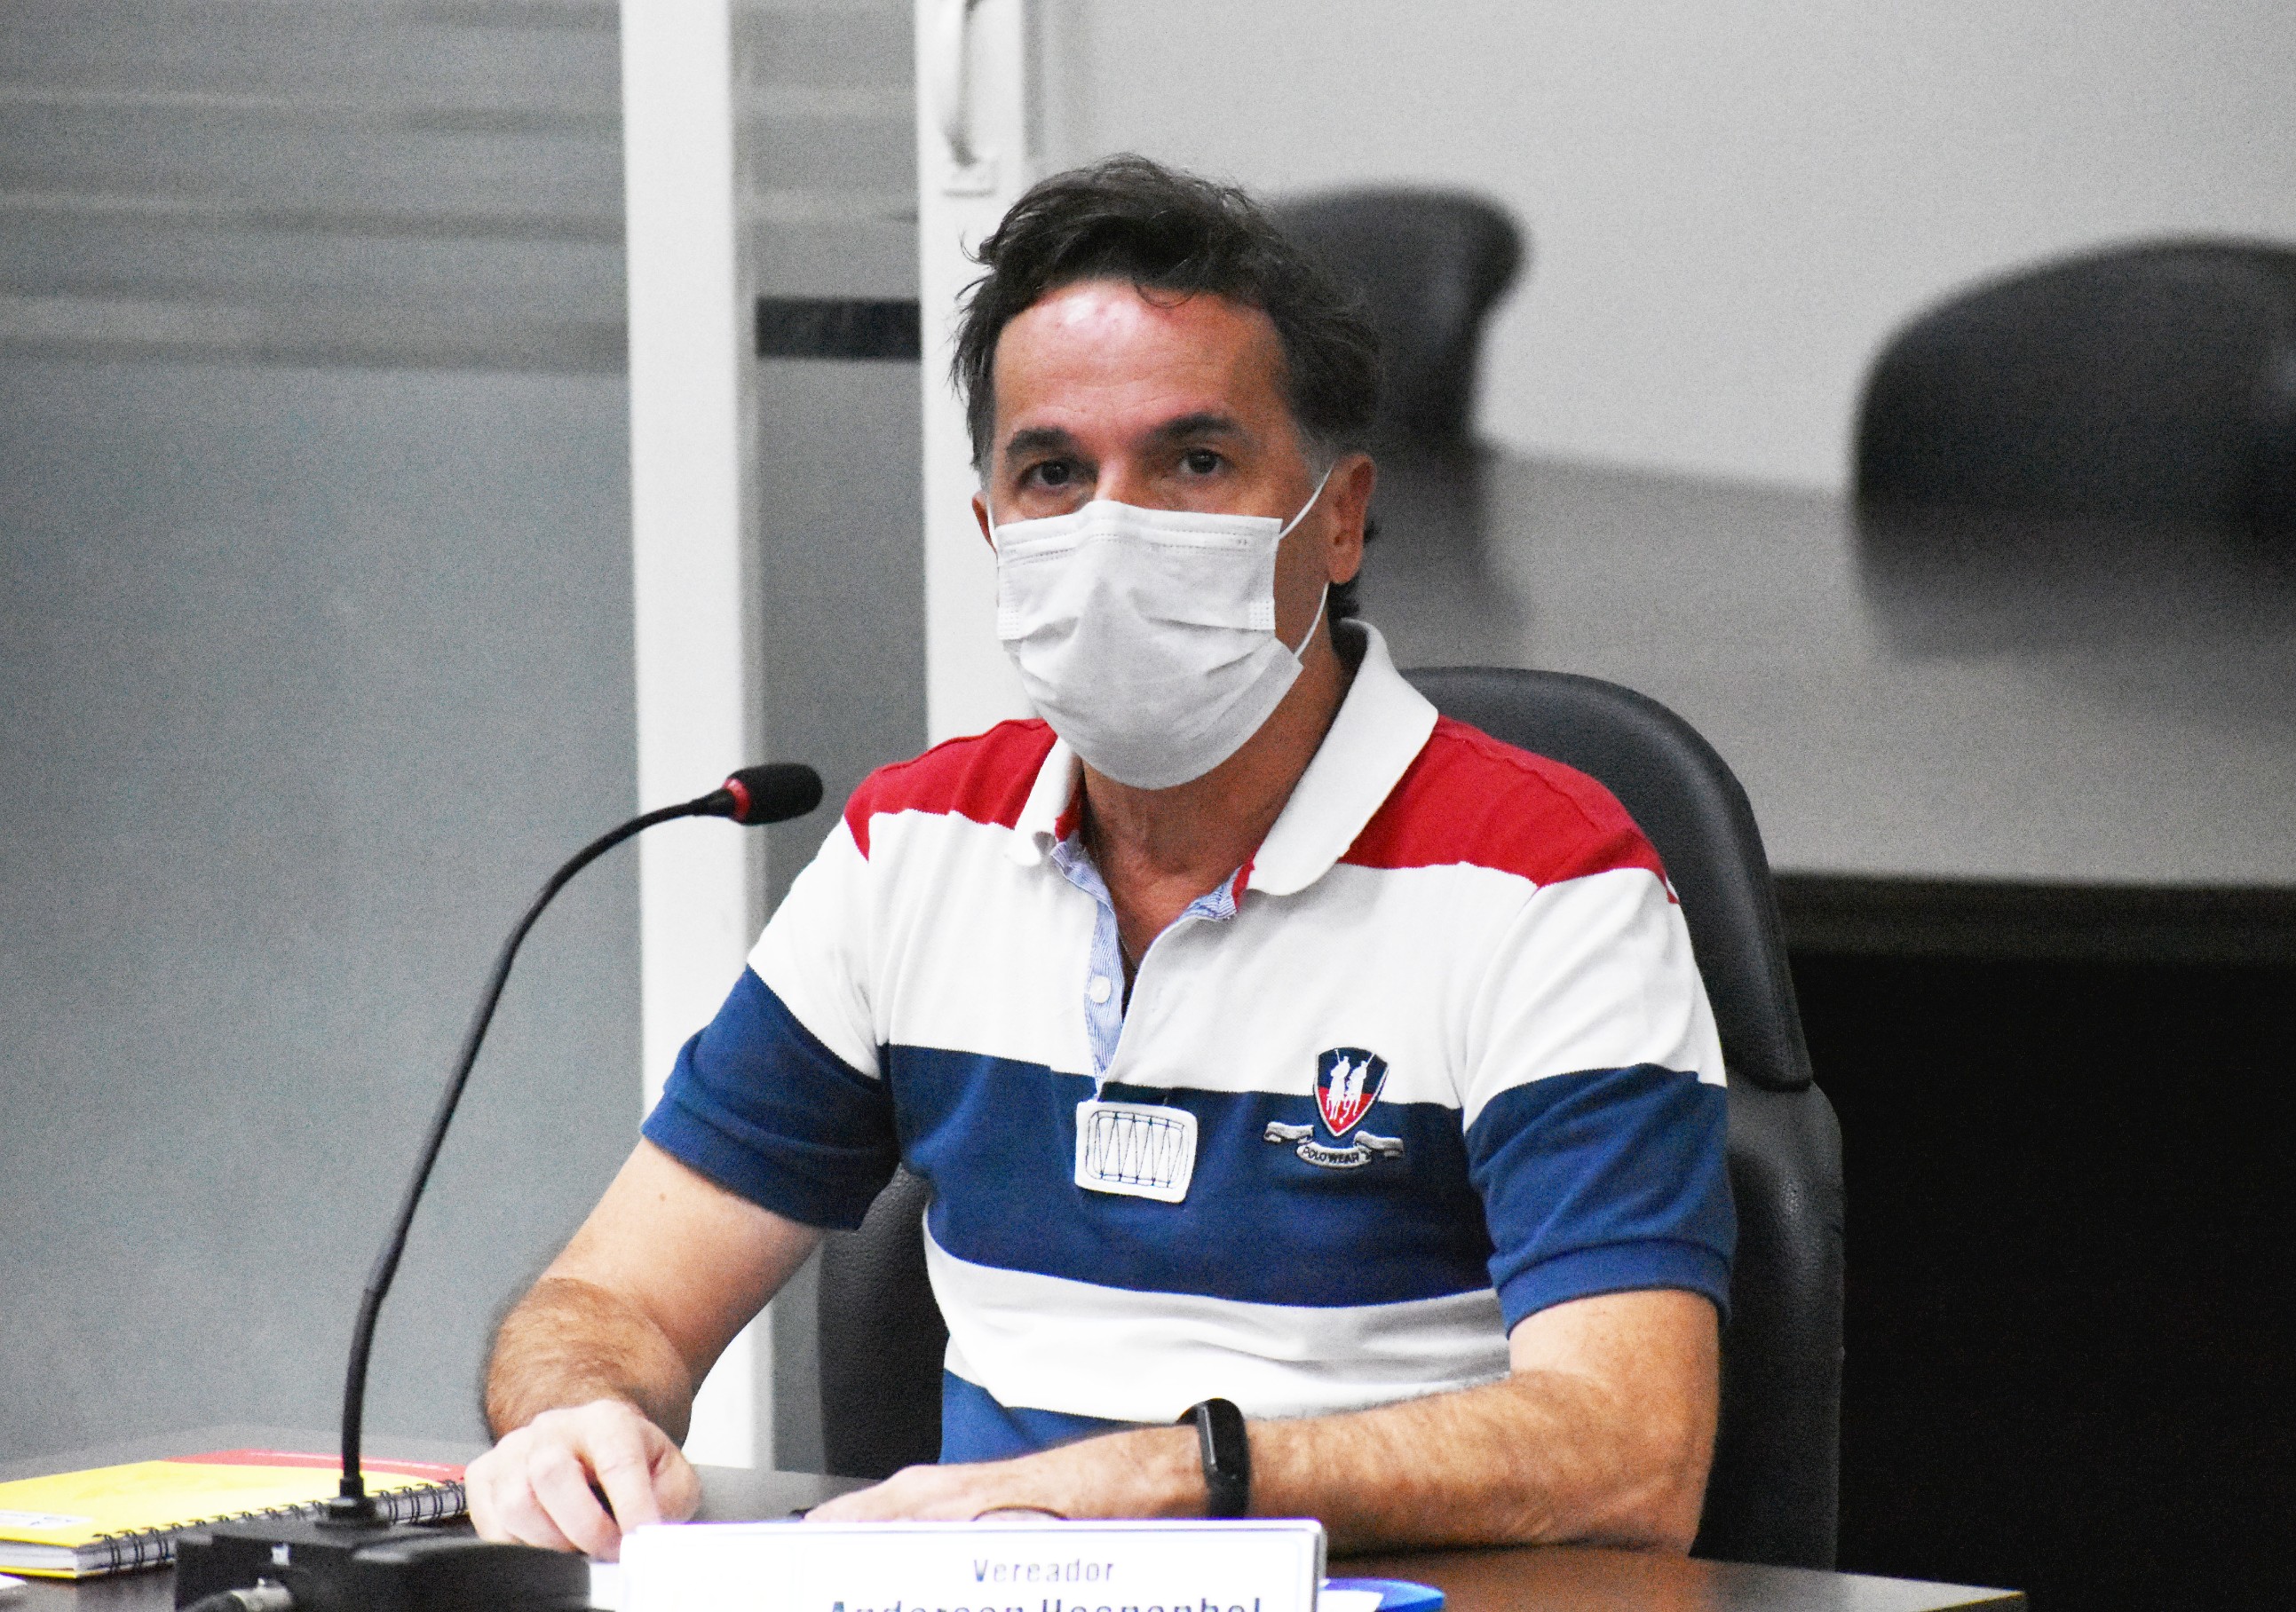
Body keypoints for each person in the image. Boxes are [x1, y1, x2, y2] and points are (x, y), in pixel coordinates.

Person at [469, 155, 1733, 1562]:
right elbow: (612, 1302)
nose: (1112, 528)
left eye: (1194, 462)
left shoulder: (1547, 880)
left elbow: (1630, 1452)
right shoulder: (916, 848)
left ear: (1338, 517)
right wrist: (572, 1419)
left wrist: (1160, 1481)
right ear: (993, 530)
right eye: (1054, 473)